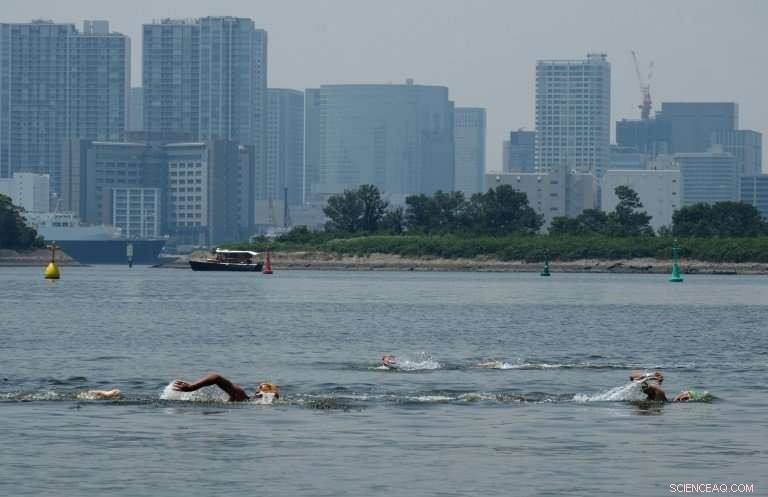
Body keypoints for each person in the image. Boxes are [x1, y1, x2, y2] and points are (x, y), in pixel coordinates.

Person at [173, 372, 279, 402]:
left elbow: (216, 377)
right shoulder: (243, 398)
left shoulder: (242, 397)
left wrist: (193, 387)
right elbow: (216, 377)